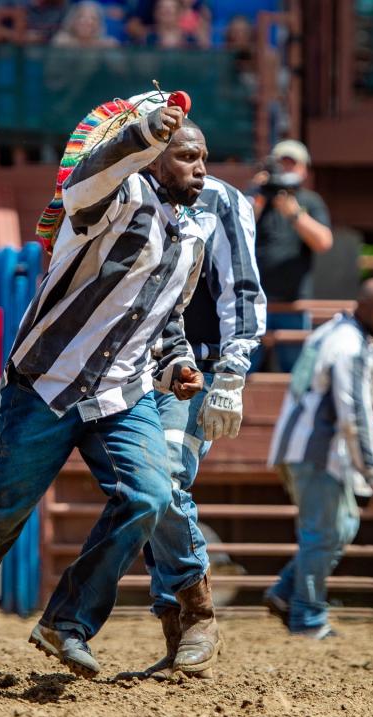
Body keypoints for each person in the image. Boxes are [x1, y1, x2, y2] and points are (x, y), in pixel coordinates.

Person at [0, 98, 210, 691]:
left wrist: (178, 361)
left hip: (122, 392)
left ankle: (66, 621)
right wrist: (141, 134)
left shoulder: (192, 235)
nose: (201, 168)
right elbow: (85, 179)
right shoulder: (109, 200)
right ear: (153, 160)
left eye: (204, 158)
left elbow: (165, 319)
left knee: (147, 496)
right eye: (187, 156)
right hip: (46, 383)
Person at [140, 174, 267, 680]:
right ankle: (179, 633)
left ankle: (195, 617)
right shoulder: (124, 188)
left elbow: (240, 285)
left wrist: (231, 376)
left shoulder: (219, 199)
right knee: (143, 489)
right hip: (129, 369)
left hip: (192, 367)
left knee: (164, 477)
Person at [264, 279, 373, 639]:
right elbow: (355, 415)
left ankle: (286, 591)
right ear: (366, 308)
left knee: (339, 528)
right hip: (317, 453)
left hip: (302, 449)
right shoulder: (350, 346)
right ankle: (307, 615)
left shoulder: (331, 333)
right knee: (325, 534)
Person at [254, 139, 334, 302]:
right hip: (257, 297)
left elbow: (324, 242)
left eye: (292, 164)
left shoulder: (310, 201)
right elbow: (237, 229)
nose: (286, 169)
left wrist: (295, 215)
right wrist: (258, 193)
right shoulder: (258, 196)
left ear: (304, 169)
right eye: (281, 164)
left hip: (295, 300)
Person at [51, 1, 120, 47]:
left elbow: (120, 68)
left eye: (93, 18)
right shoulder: (61, 40)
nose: (87, 22)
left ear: (99, 25)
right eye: (81, 16)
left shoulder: (107, 44)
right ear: (72, 21)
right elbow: (51, 68)